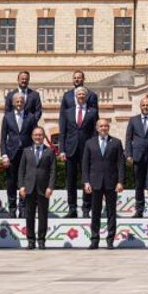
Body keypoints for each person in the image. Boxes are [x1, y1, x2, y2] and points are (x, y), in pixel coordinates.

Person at [82, 117, 125, 249]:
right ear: (97, 128)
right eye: (101, 126)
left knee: (111, 212)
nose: (103, 128)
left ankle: (110, 240)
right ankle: (94, 239)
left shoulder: (116, 143)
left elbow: (120, 164)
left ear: (109, 127)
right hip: (95, 182)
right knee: (95, 212)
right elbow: (85, 164)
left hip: (111, 182)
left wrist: (120, 181)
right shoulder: (90, 143)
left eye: (105, 126)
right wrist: (86, 181)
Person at [58, 86, 97, 218]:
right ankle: (72, 209)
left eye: (83, 94)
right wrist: (61, 149)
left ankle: (86, 209)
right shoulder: (68, 112)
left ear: (86, 97)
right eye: (79, 94)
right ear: (75, 96)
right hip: (70, 150)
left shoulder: (93, 112)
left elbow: (94, 132)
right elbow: (63, 131)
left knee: (87, 179)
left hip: (87, 150)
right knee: (71, 181)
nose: (81, 96)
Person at [0, 92, 37, 217]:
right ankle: (12, 208)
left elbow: (35, 136)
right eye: (17, 102)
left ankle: (23, 207)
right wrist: (4, 154)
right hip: (11, 154)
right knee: (11, 182)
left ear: (24, 103)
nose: (19, 104)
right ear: (13, 103)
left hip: (26, 154)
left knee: (25, 181)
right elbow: (3, 138)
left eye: (21, 101)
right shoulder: (7, 117)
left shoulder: (30, 117)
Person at [19, 127, 57, 249]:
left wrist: (50, 187)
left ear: (44, 136)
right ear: (32, 136)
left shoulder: (49, 151)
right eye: (36, 135)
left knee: (43, 216)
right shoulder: (26, 151)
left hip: (43, 188)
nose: (38, 137)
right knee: (29, 215)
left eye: (40, 135)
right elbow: (21, 170)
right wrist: (21, 186)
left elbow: (53, 171)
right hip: (29, 188)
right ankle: (30, 240)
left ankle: (41, 240)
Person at [125, 95, 148, 218]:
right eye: (143, 105)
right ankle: (139, 210)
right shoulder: (133, 120)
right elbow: (128, 138)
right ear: (140, 106)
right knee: (139, 185)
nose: (146, 107)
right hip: (137, 157)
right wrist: (128, 154)